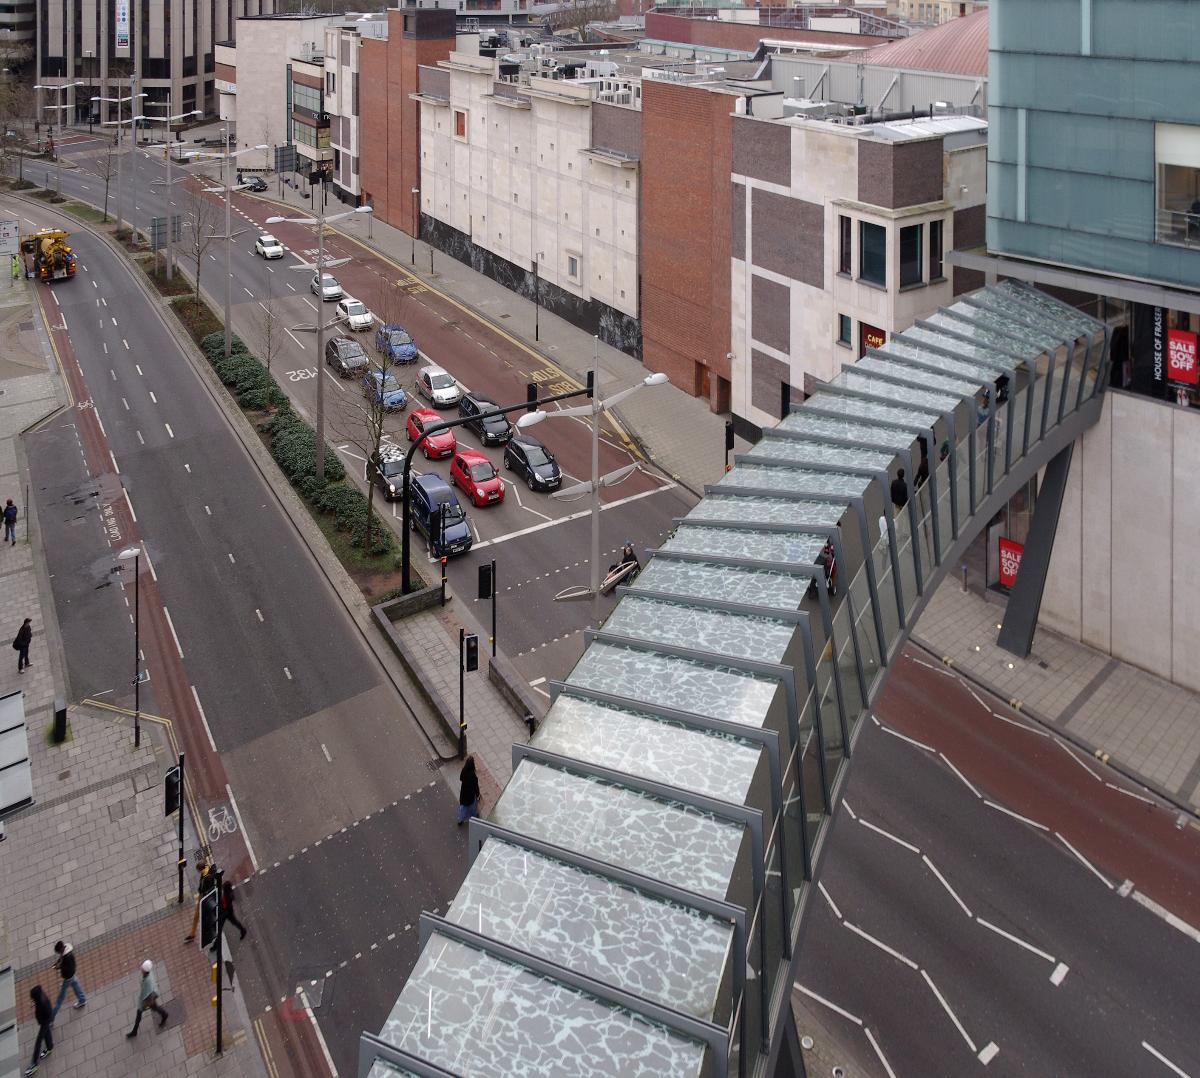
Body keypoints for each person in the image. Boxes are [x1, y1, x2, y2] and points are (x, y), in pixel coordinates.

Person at [126, 959, 168, 1037]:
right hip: (148, 998)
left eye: (142, 969)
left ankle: (134, 1031)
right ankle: (164, 1015)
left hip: (147, 999)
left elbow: (149, 993)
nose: (141, 969)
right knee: (155, 1008)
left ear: (145, 971)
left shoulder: (148, 981)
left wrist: (147, 1003)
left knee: (140, 1012)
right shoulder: (148, 974)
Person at [183, 858, 217, 944]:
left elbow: (208, 888)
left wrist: (203, 896)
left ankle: (210, 936)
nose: (198, 873)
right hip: (202, 898)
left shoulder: (207, 877)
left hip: (205, 899)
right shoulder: (206, 871)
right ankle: (192, 934)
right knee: (196, 916)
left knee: (202, 917)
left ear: (201, 869)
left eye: (198, 871)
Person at [52, 940, 86, 1016]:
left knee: (60, 999)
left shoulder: (67, 957)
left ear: (61, 950)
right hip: (72, 976)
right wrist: (57, 963)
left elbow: (66, 968)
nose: (59, 954)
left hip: (68, 977)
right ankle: (82, 1000)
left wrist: (59, 967)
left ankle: (51, 1018)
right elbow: (61, 959)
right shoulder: (65, 952)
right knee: (76, 985)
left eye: (58, 952)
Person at [25, 985, 53, 1075]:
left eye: (32, 998)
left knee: (38, 1042)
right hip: (45, 1020)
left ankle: (34, 1064)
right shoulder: (41, 997)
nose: (31, 999)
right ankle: (49, 1047)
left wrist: (43, 1021)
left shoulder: (42, 1004)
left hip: (45, 1021)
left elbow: (46, 1013)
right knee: (47, 1032)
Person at [457, 755, 480, 826]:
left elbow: (461, 778)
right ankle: (474, 816)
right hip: (470, 794)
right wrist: (478, 794)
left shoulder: (464, 770)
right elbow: (476, 786)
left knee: (463, 807)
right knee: (473, 806)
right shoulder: (473, 775)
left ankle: (460, 820)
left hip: (464, 793)